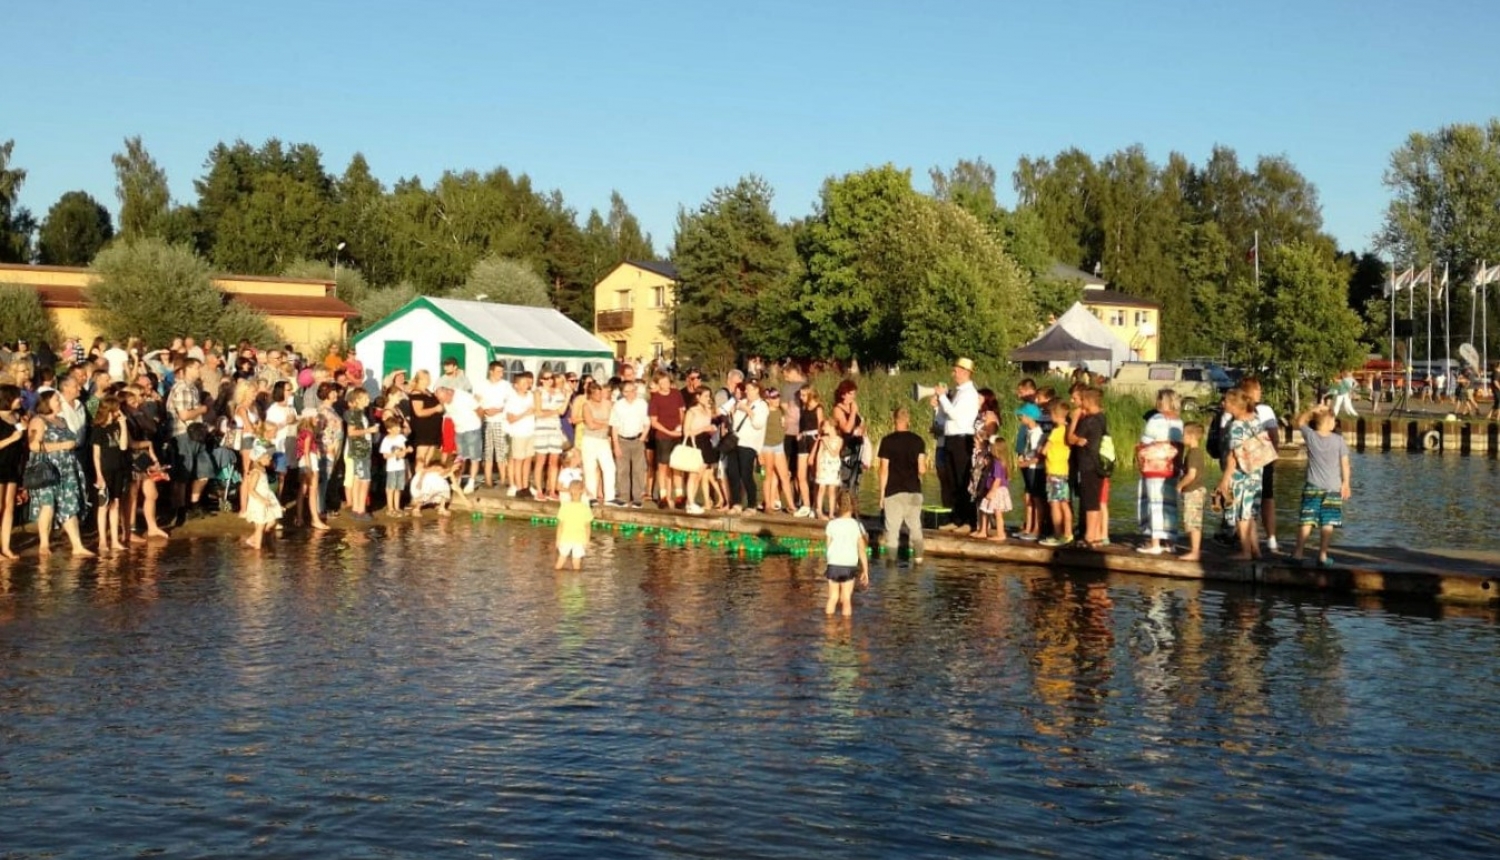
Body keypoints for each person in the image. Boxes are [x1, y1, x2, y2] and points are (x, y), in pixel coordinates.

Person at [27, 389, 95, 557]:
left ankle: (77, 546)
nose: (60, 402)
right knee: (47, 505)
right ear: (47, 403)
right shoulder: (38, 420)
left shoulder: (62, 420)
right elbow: (34, 446)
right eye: (57, 400)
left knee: (70, 504)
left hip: (67, 468)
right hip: (47, 468)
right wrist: (62, 446)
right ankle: (44, 543)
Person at [1291, 405, 1352, 567]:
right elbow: (1345, 464)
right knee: (1328, 522)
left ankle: (1298, 554)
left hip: (1313, 486)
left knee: (1307, 520)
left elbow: (1300, 421)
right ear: (1329, 423)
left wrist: (1313, 409)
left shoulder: (1310, 436)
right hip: (1333, 488)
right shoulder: (1339, 440)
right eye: (1333, 420)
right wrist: (1346, 483)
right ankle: (1323, 556)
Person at [931, 357, 980, 533]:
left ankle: (968, 521)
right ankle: (957, 518)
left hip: (962, 439)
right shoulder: (959, 392)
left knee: (963, 480)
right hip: (952, 439)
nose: (954, 373)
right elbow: (946, 415)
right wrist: (938, 407)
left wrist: (943, 397)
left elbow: (956, 415)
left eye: (957, 370)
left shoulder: (969, 393)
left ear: (965, 372)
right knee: (952, 481)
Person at [1217, 387, 1265, 561]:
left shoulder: (1236, 425)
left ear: (1235, 405)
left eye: (1226, 401)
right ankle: (1256, 550)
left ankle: (1245, 551)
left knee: (1241, 514)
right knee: (1251, 513)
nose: (1223, 404)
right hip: (1256, 473)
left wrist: (1224, 480)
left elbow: (1233, 456)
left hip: (1240, 475)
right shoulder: (1256, 419)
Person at [1136, 389, 1184, 555]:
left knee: (1154, 503)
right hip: (1172, 467)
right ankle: (1169, 542)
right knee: (1169, 504)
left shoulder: (1155, 419)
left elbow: (1145, 442)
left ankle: (1155, 542)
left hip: (1155, 467)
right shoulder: (1179, 421)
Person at [877, 407, 927, 563]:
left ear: (894, 420)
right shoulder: (918, 440)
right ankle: (918, 559)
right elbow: (922, 469)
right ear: (908, 420)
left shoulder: (887, 441)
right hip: (914, 491)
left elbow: (883, 470)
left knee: (892, 531)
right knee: (915, 527)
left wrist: (882, 495)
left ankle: (891, 563)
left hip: (894, 491)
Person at [91, 395, 131, 553]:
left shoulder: (116, 426)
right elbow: (96, 454)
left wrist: (123, 425)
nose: (118, 412)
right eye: (116, 410)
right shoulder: (98, 430)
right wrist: (99, 475)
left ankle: (114, 539)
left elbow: (123, 447)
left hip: (118, 469)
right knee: (103, 506)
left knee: (116, 504)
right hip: (105, 470)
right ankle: (102, 540)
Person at [1069, 387, 1108, 548]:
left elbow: (1070, 438)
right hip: (1098, 464)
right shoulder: (1102, 418)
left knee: (1090, 502)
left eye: (1082, 400)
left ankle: (1089, 536)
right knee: (1095, 500)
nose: (1080, 404)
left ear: (1089, 401)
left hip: (1088, 465)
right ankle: (1097, 535)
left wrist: (1074, 419)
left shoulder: (1089, 420)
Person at [823, 489, 869, 617]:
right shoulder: (857, 525)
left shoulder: (831, 524)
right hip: (849, 565)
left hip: (833, 564)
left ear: (837, 505)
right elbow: (862, 550)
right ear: (854, 506)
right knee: (846, 598)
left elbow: (828, 546)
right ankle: (846, 630)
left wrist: (830, 561)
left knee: (832, 597)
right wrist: (865, 571)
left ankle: (829, 626)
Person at [725, 380, 768, 513]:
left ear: (756, 390)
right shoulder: (742, 402)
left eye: (749, 389)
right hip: (735, 441)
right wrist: (733, 411)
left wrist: (748, 410)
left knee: (746, 474)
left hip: (749, 444)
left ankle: (751, 504)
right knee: (732, 473)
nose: (747, 392)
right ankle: (737, 503)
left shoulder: (762, 406)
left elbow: (758, 424)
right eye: (746, 389)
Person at [647, 371, 685, 509]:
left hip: (677, 434)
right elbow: (654, 422)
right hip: (663, 436)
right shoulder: (655, 398)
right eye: (662, 382)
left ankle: (679, 495)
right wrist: (668, 431)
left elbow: (681, 411)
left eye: (667, 381)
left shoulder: (676, 393)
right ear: (658, 384)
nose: (665, 385)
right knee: (663, 466)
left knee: (677, 466)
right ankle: (663, 495)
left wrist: (681, 427)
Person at [1039, 399, 1074, 548]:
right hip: (1064, 471)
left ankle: (1058, 534)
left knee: (1054, 504)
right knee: (1065, 504)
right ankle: (1068, 533)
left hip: (1053, 471)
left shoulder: (1056, 431)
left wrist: (1041, 445)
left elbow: (1044, 451)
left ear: (1054, 414)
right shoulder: (1068, 429)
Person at [609, 379, 649, 507]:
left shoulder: (642, 404)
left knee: (638, 469)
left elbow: (647, 422)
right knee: (622, 470)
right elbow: (614, 426)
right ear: (623, 393)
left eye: (632, 390)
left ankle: (637, 498)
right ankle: (623, 497)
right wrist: (616, 445)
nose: (630, 393)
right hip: (622, 440)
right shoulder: (618, 405)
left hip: (637, 439)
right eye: (627, 391)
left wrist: (642, 437)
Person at [577, 380, 617, 506]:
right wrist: (604, 423)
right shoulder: (586, 405)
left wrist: (600, 422)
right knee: (590, 468)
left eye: (601, 393)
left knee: (610, 467)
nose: (600, 396)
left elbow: (612, 421)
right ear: (591, 395)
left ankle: (610, 497)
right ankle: (591, 496)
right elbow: (590, 424)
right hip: (590, 440)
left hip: (603, 440)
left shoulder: (608, 404)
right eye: (597, 394)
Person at [474, 361, 513, 489]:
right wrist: (484, 410)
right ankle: (488, 480)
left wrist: (498, 410)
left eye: (502, 372)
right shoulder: (482, 385)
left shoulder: (505, 385)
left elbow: (510, 402)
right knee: (487, 452)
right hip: (486, 421)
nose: (501, 374)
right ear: (491, 371)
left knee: (501, 452)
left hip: (500, 420)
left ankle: (503, 479)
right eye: (498, 371)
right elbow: (476, 401)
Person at [532, 370, 568, 500]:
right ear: (541, 379)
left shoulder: (559, 393)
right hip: (541, 429)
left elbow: (562, 411)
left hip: (555, 428)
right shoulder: (538, 392)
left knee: (554, 461)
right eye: (546, 378)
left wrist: (567, 396)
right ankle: (539, 490)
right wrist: (554, 411)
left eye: (551, 378)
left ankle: (552, 490)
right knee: (541, 460)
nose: (550, 380)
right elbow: (538, 413)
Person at [759, 388, 796, 515]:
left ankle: (791, 505)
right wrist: (759, 453)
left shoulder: (780, 410)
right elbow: (758, 431)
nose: (777, 400)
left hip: (779, 445)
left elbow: (784, 428)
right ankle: (768, 504)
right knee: (767, 476)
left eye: (778, 397)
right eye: (774, 398)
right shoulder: (764, 412)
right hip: (766, 446)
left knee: (784, 476)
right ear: (768, 400)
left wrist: (785, 423)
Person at [0, 385, 26, 558]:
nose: (21, 400)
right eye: (17, 397)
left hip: (13, 465)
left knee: (9, 507)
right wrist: (12, 438)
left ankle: (6, 546)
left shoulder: (17, 416)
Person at [241, 441, 282, 549]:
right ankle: (257, 548)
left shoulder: (262, 471)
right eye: (267, 457)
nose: (269, 459)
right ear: (259, 459)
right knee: (260, 526)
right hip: (258, 502)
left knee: (273, 520)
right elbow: (251, 490)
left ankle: (253, 539)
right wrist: (262, 500)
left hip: (265, 499)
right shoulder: (256, 473)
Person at [1014, 403, 1045, 541]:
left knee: (1036, 499)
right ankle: (1028, 528)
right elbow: (1028, 451)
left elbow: (1038, 457)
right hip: (1027, 468)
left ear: (1029, 417)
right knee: (1028, 498)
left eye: (1022, 415)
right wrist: (1022, 457)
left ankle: (1037, 529)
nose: (1020, 417)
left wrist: (1025, 463)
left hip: (1035, 470)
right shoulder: (1028, 431)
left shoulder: (1038, 433)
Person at [792, 387, 825, 518]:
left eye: (804, 395)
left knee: (814, 475)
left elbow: (820, 428)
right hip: (803, 440)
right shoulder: (803, 408)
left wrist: (817, 446)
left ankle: (815, 505)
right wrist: (799, 434)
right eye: (801, 395)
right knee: (801, 474)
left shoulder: (818, 408)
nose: (801, 397)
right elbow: (802, 425)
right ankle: (805, 504)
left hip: (814, 440)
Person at [1177, 423, 1207, 561]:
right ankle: (1194, 550)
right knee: (1191, 521)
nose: (1181, 437)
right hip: (1193, 491)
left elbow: (1191, 475)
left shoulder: (1194, 453)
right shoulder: (1194, 452)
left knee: (1193, 522)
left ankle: (1195, 552)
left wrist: (1179, 485)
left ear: (1191, 436)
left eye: (1183, 434)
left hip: (1194, 491)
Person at [503, 371, 536, 498]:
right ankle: (518, 486)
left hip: (530, 432)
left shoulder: (531, 396)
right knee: (518, 461)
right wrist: (525, 413)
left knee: (528, 460)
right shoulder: (512, 399)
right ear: (516, 385)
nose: (525, 385)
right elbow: (510, 418)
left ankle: (525, 485)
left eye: (526, 383)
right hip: (518, 433)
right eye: (522, 383)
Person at [344, 388, 374, 521]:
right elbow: (351, 432)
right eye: (365, 398)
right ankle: (360, 509)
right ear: (357, 400)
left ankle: (357, 508)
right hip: (360, 451)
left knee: (357, 479)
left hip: (361, 450)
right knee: (364, 480)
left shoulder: (360, 414)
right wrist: (369, 430)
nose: (368, 400)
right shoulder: (356, 414)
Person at [973, 437, 1011, 542]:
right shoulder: (999, 462)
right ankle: (983, 531)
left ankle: (1000, 534)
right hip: (998, 490)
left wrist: (992, 492)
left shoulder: (997, 463)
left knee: (996, 513)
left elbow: (998, 479)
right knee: (985, 509)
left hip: (996, 491)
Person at [554, 479, 592, 571]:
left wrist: (558, 540)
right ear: (582, 491)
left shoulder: (564, 506)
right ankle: (576, 583)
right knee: (576, 563)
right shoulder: (585, 508)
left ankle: (557, 581)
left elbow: (560, 525)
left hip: (565, 538)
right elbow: (587, 526)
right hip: (580, 539)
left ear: (569, 491)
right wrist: (587, 540)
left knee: (560, 561)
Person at [811, 418, 843, 520]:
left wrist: (827, 443)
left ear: (831, 427)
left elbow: (834, 453)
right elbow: (819, 453)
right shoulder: (823, 439)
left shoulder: (839, 440)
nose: (823, 428)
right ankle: (819, 511)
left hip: (833, 465)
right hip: (824, 465)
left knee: (832, 490)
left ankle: (831, 513)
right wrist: (817, 467)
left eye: (825, 426)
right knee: (821, 488)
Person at [380, 415, 409, 517]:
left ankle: (397, 507)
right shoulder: (386, 440)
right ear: (389, 430)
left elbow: (404, 452)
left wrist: (405, 452)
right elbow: (385, 456)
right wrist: (395, 454)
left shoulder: (401, 438)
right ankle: (390, 508)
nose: (398, 429)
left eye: (398, 427)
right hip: (392, 468)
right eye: (395, 427)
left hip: (400, 466)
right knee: (390, 488)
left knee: (398, 488)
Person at [409, 451, 453, 517]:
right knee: (426, 492)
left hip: (433, 484)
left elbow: (455, 487)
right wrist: (420, 482)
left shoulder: (448, 472)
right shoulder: (436, 468)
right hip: (423, 482)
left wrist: (466, 502)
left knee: (445, 488)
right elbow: (423, 472)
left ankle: (442, 508)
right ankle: (416, 509)